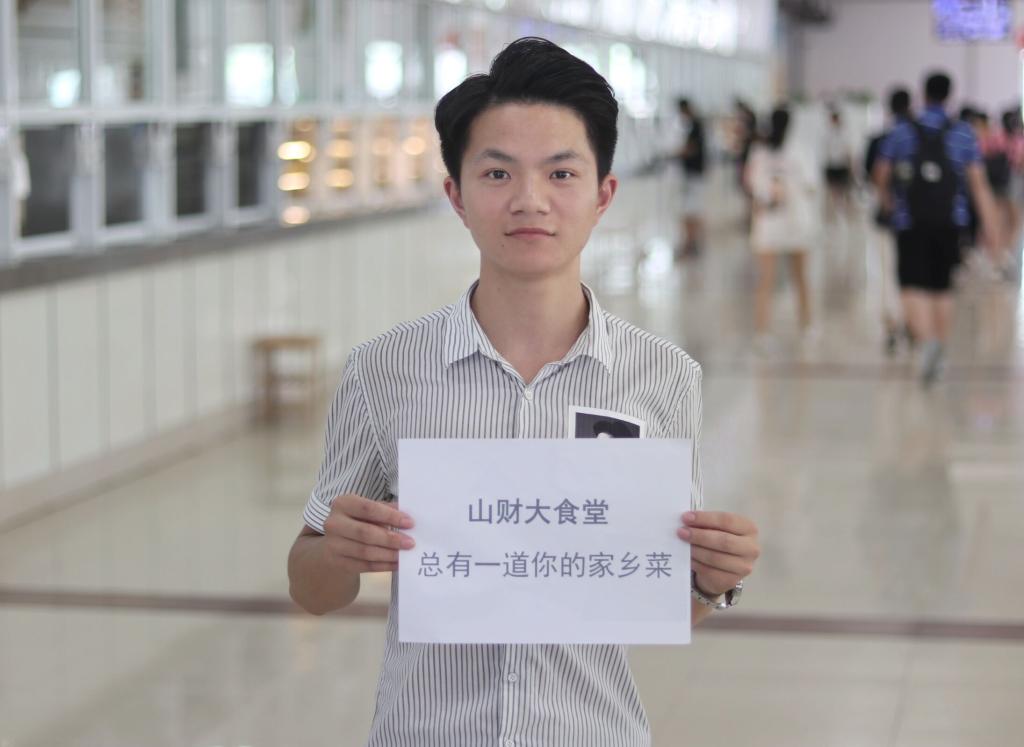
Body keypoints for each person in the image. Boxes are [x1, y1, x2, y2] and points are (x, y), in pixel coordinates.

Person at [287, 38, 761, 746]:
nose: (529, 200)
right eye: (498, 172)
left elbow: (654, 601)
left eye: (561, 172)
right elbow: (310, 586)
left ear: (603, 195)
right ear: (456, 195)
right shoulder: (384, 370)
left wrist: (709, 579)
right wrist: (337, 553)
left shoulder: (663, 376)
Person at [874, 71, 1002, 386]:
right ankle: (940, 350)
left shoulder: (901, 131)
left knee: (911, 285)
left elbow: (881, 172)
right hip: (950, 222)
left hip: (909, 221)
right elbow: (979, 185)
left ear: (923, 94)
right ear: (949, 96)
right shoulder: (963, 133)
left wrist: (888, 202)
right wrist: (991, 227)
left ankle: (927, 343)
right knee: (941, 287)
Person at [745, 106, 818, 343]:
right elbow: (810, 184)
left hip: (786, 220)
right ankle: (785, 328)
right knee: (790, 278)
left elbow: (753, 183)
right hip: (778, 220)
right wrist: (775, 191)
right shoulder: (767, 151)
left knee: (780, 278)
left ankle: (785, 328)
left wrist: (780, 189)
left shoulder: (783, 150)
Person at [864, 87, 913, 355]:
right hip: (915, 219)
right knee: (911, 271)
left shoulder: (881, 138)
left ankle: (892, 324)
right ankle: (911, 321)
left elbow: (873, 175)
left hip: (888, 216)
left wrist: (885, 200)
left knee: (887, 272)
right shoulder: (920, 137)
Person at [676, 98, 707, 258]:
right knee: (691, 209)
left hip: (694, 174)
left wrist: (676, 153)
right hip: (694, 173)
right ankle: (692, 243)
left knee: (690, 210)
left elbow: (691, 149)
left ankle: (690, 243)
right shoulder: (696, 125)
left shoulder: (696, 126)